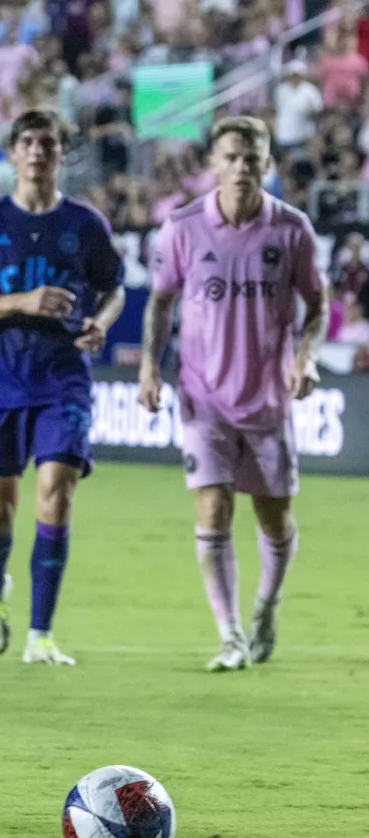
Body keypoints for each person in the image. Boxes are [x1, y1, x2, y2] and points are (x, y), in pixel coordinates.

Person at [139, 116, 325, 671]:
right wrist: (151, 366)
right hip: (203, 398)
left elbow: (316, 303)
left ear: (267, 164)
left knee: (274, 518)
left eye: (253, 157)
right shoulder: (183, 227)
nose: (242, 166)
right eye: (232, 157)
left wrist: (305, 354)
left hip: (268, 399)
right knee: (213, 508)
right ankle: (231, 634)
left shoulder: (292, 230)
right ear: (214, 164)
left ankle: (266, 605)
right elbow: (160, 302)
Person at [0, 108, 126, 665]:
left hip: (63, 377)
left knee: (57, 492)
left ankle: (41, 635)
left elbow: (115, 287)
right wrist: (21, 302)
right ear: (12, 151)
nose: (37, 151)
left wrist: (103, 321)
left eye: (48, 143)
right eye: (27, 142)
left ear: (61, 153)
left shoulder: (86, 224)